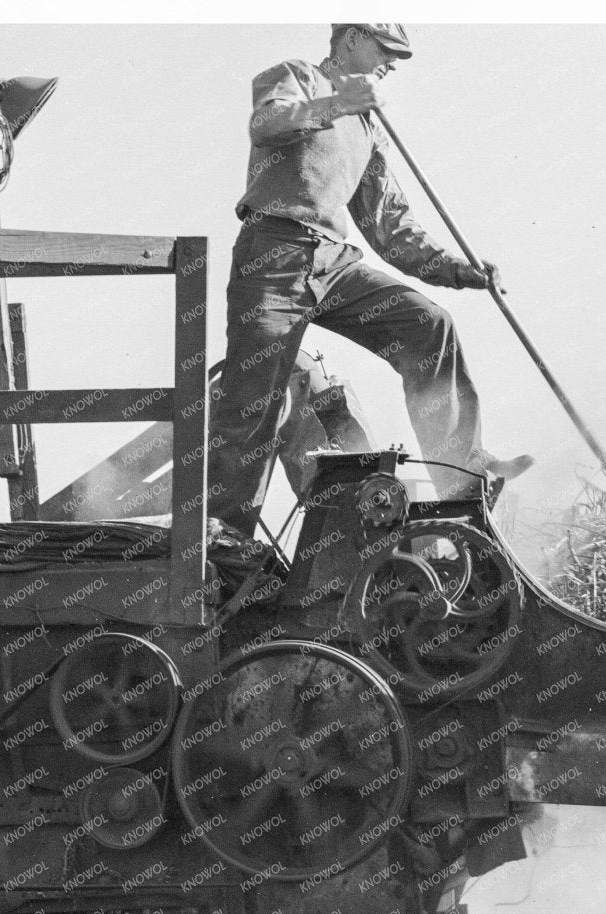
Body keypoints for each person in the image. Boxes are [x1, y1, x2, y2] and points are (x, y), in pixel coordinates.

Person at [207, 23, 532, 540]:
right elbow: (266, 123)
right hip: (273, 252)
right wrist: (339, 104)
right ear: (352, 39)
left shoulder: (369, 126)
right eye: (388, 50)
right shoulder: (297, 76)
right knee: (255, 397)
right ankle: (224, 536)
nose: (394, 63)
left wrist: (456, 270)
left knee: (429, 325)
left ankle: (462, 480)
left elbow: (390, 223)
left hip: (334, 262)